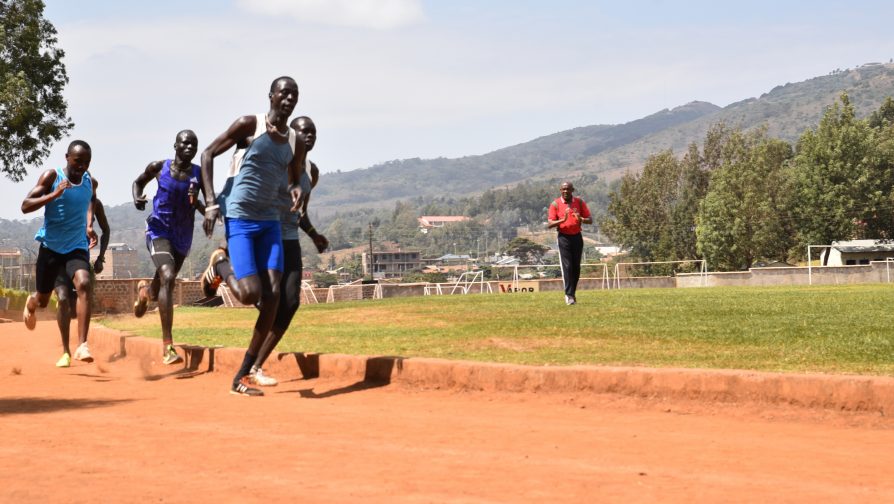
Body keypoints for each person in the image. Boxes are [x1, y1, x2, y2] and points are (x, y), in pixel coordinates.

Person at [199, 76, 307, 396]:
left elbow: (296, 174)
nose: (288, 99)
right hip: (241, 220)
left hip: (270, 221)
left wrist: (297, 190)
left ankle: (242, 376)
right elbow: (207, 155)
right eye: (284, 93)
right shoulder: (250, 125)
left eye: (294, 95)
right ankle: (220, 265)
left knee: (273, 297)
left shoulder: (294, 141)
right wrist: (209, 203)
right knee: (249, 294)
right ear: (271, 95)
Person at [248, 115, 328, 387]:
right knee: (265, 297)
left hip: (290, 236)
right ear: (291, 134)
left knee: (290, 302)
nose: (309, 135)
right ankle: (223, 268)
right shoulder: (275, 161)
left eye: (313, 132)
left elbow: (300, 211)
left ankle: (256, 366)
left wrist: (314, 234)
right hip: (266, 231)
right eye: (304, 131)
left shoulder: (311, 171)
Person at [21, 140, 98, 364]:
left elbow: (91, 198)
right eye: (77, 161)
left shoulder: (89, 182)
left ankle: (82, 345)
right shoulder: (52, 177)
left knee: (83, 284)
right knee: (44, 300)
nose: (81, 166)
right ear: (67, 157)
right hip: (51, 249)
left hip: (76, 246)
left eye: (86, 162)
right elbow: (25, 205)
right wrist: (54, 195)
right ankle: (32, 303)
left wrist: (89, 224)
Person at [131, 130, 204, 365]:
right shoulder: (159, 167)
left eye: (194, 145)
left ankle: (146, 294)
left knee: (162, 282)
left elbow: (203, 204)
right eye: (185, 143)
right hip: (159, 230)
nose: (189, 148)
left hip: (183, 237)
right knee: (168, 276)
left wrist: (205, 210)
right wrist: (137, 197)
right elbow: (138, 182)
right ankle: (168, 346)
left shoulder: (198, 174)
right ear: (175, 145)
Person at [54, 198, 110, 367]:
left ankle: (82, 345)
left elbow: (106, 230)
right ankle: (65, 351)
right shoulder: (64, 198)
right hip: (57, 254)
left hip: (79, 257)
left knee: (83, 290)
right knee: (64, 300)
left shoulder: (97, 204)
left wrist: (100, 257)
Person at [547, 181, 591, 305]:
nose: (565, 191)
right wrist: (563, 220)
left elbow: (590, 219)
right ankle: (569, 295)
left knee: (576, 267)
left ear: (573, 190)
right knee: (568, 266)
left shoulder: (579, 202)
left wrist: (581, 219)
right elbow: (550, 224)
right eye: (563, 189)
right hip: (563, 237)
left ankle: (572, 293)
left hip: (577, 236)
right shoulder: (555, 204)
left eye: (568, 189)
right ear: (560, 190)